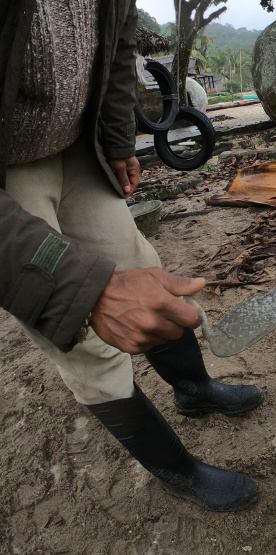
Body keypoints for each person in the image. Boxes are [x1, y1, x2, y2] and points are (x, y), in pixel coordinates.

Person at [1, 0, 262, 511]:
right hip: (10, 172)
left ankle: (194, 388)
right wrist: (86, 291)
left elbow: (117, 46)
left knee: (143, 269)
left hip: (75, 148)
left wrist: (117, 137)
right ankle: (178, 471)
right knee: (78, 332)